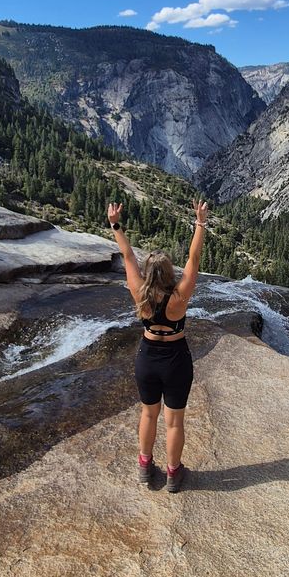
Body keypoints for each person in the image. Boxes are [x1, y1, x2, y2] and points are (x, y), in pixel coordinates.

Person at [106, 197, 208, 492]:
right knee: (174, 421)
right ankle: (174, 474)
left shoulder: (139, 293)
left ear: (148, 273)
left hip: (148, 357)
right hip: (176, 358)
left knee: (149, 414)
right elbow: (194, 259)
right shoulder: (180, 296)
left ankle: (144, 466)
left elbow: (126, 257)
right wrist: (200, 223)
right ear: (168, 272)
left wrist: (116, 225)